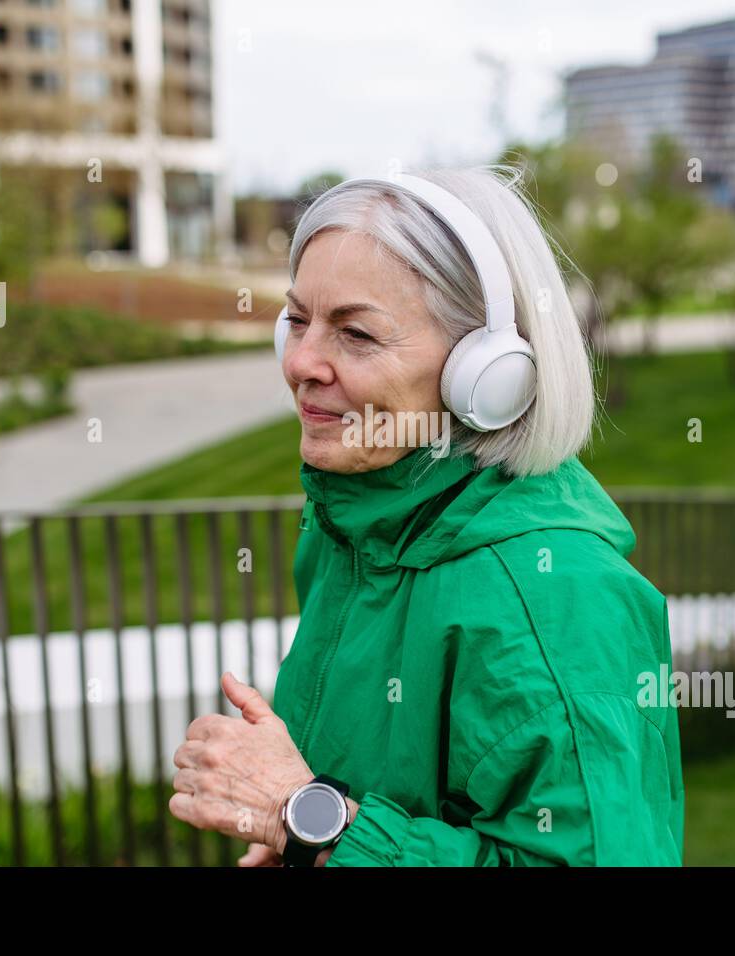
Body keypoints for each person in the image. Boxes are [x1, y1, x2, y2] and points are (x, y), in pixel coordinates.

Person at [170, 165, 684, 866]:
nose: (301, 363)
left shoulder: (555, 595)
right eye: (297, 320)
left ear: (486, 374)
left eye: (355, 334)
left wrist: (312, 823)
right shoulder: (352, 529)